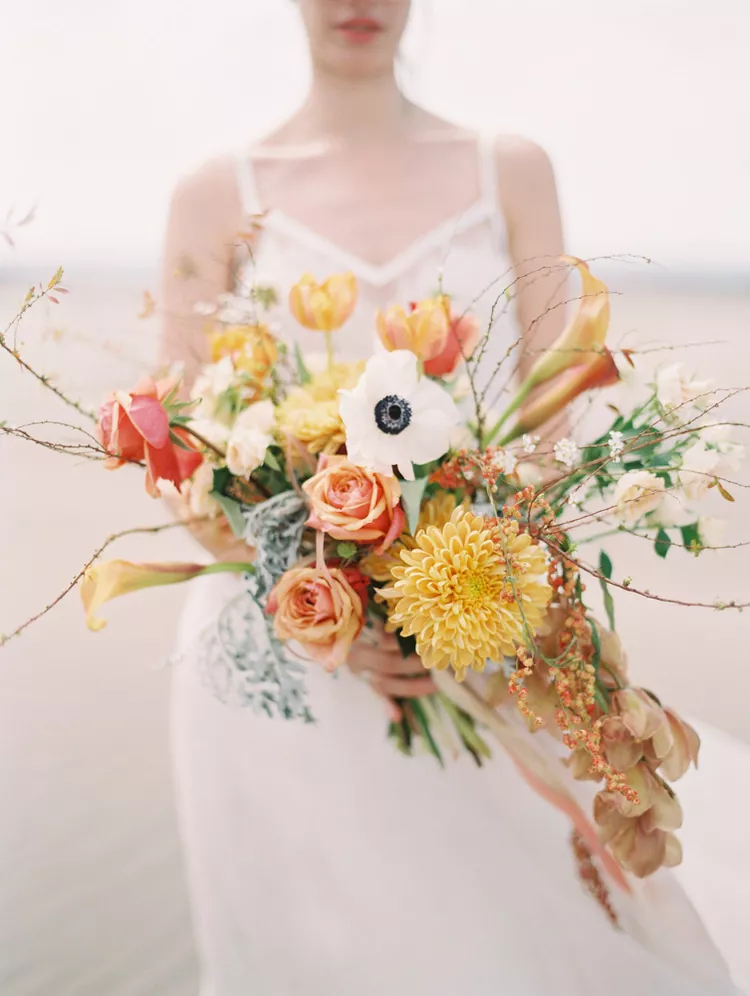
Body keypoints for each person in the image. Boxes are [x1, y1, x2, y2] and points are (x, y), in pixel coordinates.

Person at [160, 3, 744, 994]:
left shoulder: (508, 170)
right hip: (276, 665)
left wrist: (457, 595)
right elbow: (180, 449)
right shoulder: (217, 193)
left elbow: (551, 417)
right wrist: (332, 603)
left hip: (478, 637)